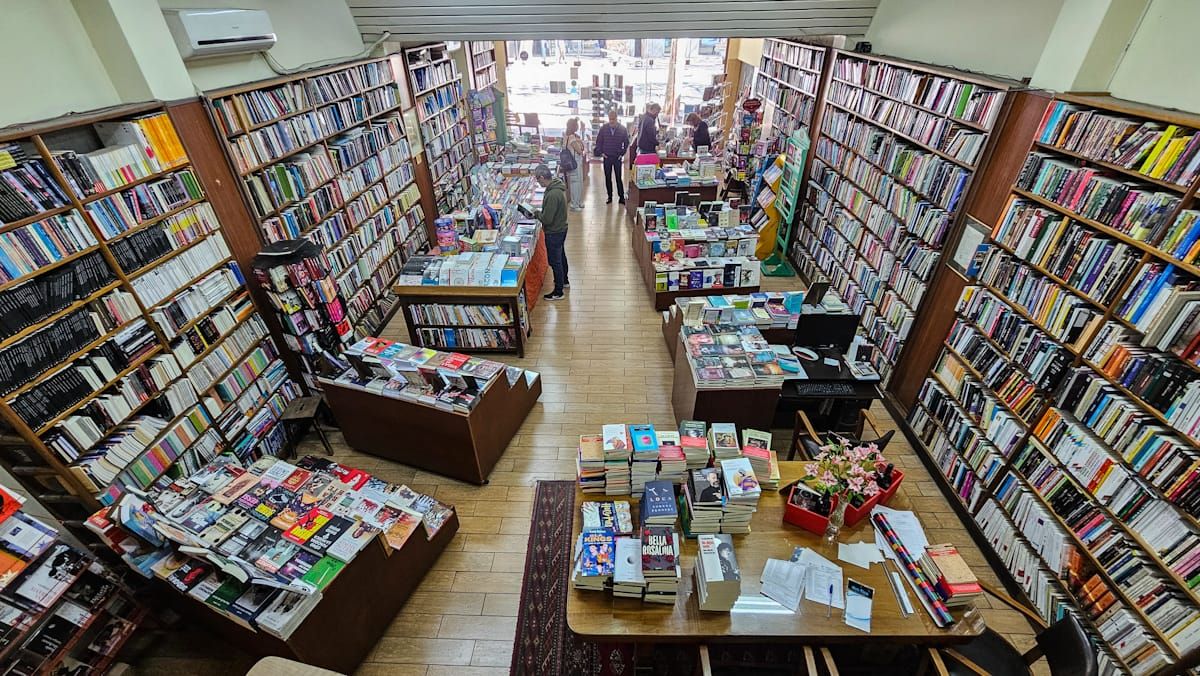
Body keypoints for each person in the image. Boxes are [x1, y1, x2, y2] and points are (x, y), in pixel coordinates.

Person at [534, 164, 569, 300]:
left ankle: (558, 291)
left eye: (538, 180)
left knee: (555, 261)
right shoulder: (556, 187)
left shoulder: (553, 194)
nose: (538, 182)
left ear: (542, 177)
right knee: (561, 256)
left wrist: (536, 214)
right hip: (561, 228)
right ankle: (564, 281)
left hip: (554, 231)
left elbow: (547, 219)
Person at [594, 108, 629, 204]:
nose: (611, 121)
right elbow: (598, 142)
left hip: (617, 157)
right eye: (610, 119)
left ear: (617, 118)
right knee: (607, 177)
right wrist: (601, 152)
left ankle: (621, 197)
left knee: (618, 178)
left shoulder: (622, 129)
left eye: (613, 119)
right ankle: (609, 196)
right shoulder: (603, 128)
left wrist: (622, 153)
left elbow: (626, 143)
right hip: (607, 157)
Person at [561, 118, 586, 211]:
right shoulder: (572, 138)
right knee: (576, 183)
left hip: (572, 163)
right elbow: (580, 150)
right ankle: (574, 205)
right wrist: (580, 142)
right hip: (574, 163)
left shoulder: (566, 136)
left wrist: (579, 141)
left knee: (577, 183)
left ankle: (578, 202)